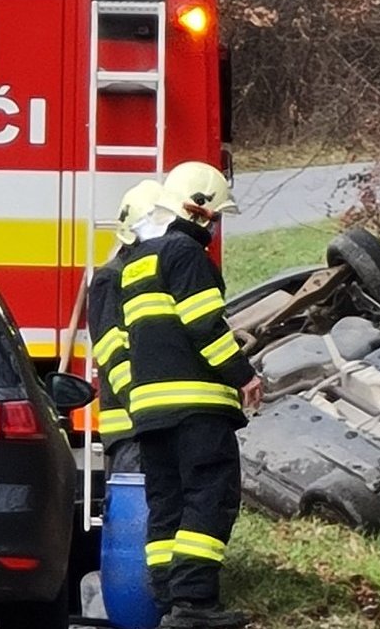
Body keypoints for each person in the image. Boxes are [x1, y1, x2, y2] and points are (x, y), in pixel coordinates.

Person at [119, 161, 262, 629]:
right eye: (216, 216)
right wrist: (243, 374)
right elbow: (204, 324)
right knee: (210, 494)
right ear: (199, 210)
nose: (217, 227)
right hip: (196, 408)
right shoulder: (187, 255)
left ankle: (167, 602)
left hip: (151, 412)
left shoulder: (137, 263)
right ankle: (195, 603)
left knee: (168, 503)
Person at [87, 179, 164, 473]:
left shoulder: (147, 275)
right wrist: (145, 409)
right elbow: (112, 352)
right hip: (131, 430)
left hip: (155, 425)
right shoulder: (111, 278)